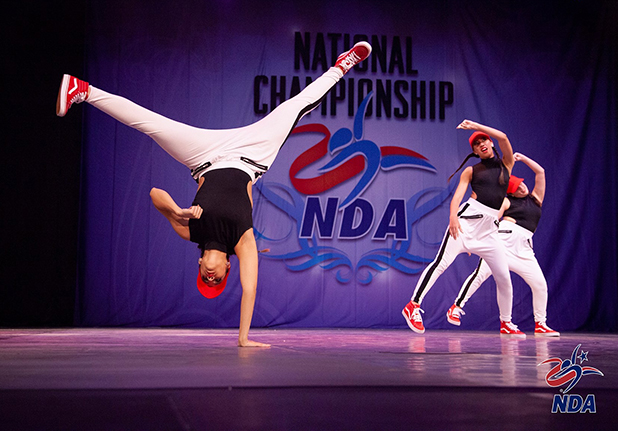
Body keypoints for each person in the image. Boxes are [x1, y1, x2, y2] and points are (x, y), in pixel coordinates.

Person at [57, 41, 373, 347]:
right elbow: (250, 290)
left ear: (199, 267)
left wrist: (178, 211)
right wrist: (243, 339)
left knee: (151, 124)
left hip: (204, 157)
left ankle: (84, 90)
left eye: (206, 280)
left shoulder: (190, 231)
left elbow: (155, 194)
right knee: (296, 107)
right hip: (254, 155)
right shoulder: (243, 242)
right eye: (216, 280)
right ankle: (342, 66)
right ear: (226, 269)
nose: (210, 277)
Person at [402, 120, 527, 338]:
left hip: (489, 231)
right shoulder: (471, 171)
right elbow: (458, 195)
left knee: (503, 277)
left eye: (484, 140)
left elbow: (504, 137)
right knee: (441, 264)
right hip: (466, 222)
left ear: (490, 142)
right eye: (477, 144)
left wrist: (476, 127)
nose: (481, 144)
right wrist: (452, 217)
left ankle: (506, 322)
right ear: (475, 151)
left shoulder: (506, 164)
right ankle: (413, 305)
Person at [446, 153, 559, 336]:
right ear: (510, 191)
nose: (521, 187)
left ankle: (540, 323)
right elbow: (491, 218)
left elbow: (541, 173)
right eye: (516, 187)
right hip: (503, 240)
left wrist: (524, 159)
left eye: (521, 183)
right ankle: (457, 307)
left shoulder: (535, 199)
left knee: (540, 285)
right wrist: (472, 240)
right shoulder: (506, 201)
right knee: (480, 274)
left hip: (524, 249)